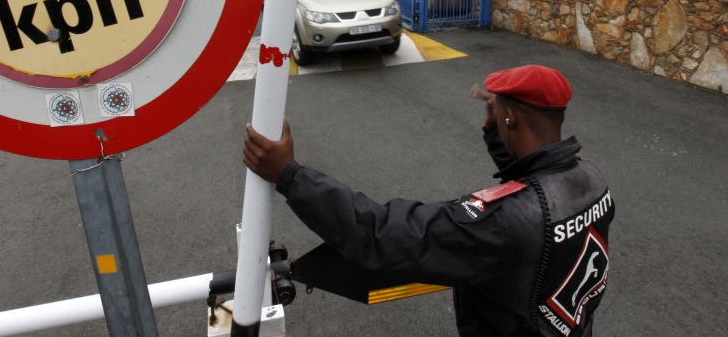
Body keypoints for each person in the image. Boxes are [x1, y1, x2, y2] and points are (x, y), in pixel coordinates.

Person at [243, 64, 614, 336]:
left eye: (500, 113)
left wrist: (289, 174)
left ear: (512, 119)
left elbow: (384, 234)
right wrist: (497, 132)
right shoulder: (590, 179)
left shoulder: (502, 225)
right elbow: (535, 183)